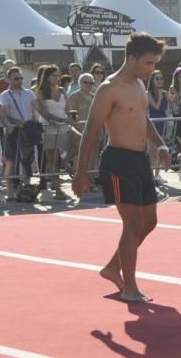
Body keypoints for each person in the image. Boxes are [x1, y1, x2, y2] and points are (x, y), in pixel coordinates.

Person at [73, 33, 171, 303]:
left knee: (149, 221)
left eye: (154, 64)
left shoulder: (140, 83)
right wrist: (81, 172)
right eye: (148, 63)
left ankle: (113, 267)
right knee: (133, 223)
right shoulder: (109, 88)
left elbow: (143, 117)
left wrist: (160, 144)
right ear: (131, 58)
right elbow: (91, 131)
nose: (152, 69)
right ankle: (129, 287)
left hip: (140, 160)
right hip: (118, 161)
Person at [0, 66, 38, 200]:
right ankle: (9, 193)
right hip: (13, 131)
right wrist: (15, 122)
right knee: (11, 162)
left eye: (21, 78)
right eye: (15, 79)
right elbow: (4, 115)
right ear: (8, 80)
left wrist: (38, 122)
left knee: (29, 160)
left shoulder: (29, 93)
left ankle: (26, 188)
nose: (19, 81)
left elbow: (36, 109)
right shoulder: (4, 95)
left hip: (27, 130)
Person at [34, 65, 71, 200]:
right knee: (52, 160)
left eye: (58, 75)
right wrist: (57, 119)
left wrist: (71, 117)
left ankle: (64, 164)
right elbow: (44, 111)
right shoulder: (41, 91)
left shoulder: (62, 90)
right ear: (47, 77)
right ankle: (58, 190)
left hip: (63, 125)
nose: (57, 77)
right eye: (54, 75)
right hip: (49, 126)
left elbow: (68, 109)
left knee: (76, 143)